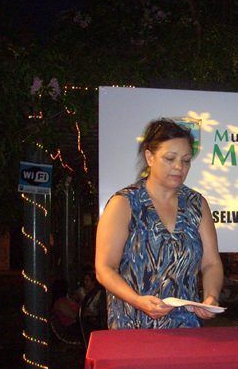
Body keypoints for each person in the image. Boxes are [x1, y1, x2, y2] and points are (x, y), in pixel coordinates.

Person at [95, 118, 224, 329]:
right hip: (133, 324)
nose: (179, 167)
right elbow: (105, 268)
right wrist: (137, 300)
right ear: (149, 157)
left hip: (187, 326)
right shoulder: (124, 203)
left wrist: (211, 296)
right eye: (170, 158)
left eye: (186, 160)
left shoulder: (196, 203)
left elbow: (211, 263)